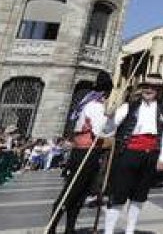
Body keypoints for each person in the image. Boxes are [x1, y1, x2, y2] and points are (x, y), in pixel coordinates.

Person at [102, 74, 163, 234]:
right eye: (145, 86)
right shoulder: (129, 106)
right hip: (128, 153)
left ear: (158, 90)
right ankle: (108, 231)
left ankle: (130, 230)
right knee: (118, 193)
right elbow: (108, 130)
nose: (148, 90)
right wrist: (110, 116)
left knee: (139, 195)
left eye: (152, 87)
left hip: (151, 155)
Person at [48, 71, 113, 234]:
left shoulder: (85, 103)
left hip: (80, 151)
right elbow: (101, 131)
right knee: (72, 192)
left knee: (79, 194)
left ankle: (69, 228)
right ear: (107, 92)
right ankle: (52, 227)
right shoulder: (96, 106)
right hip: (87, 153)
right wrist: (110, 120)